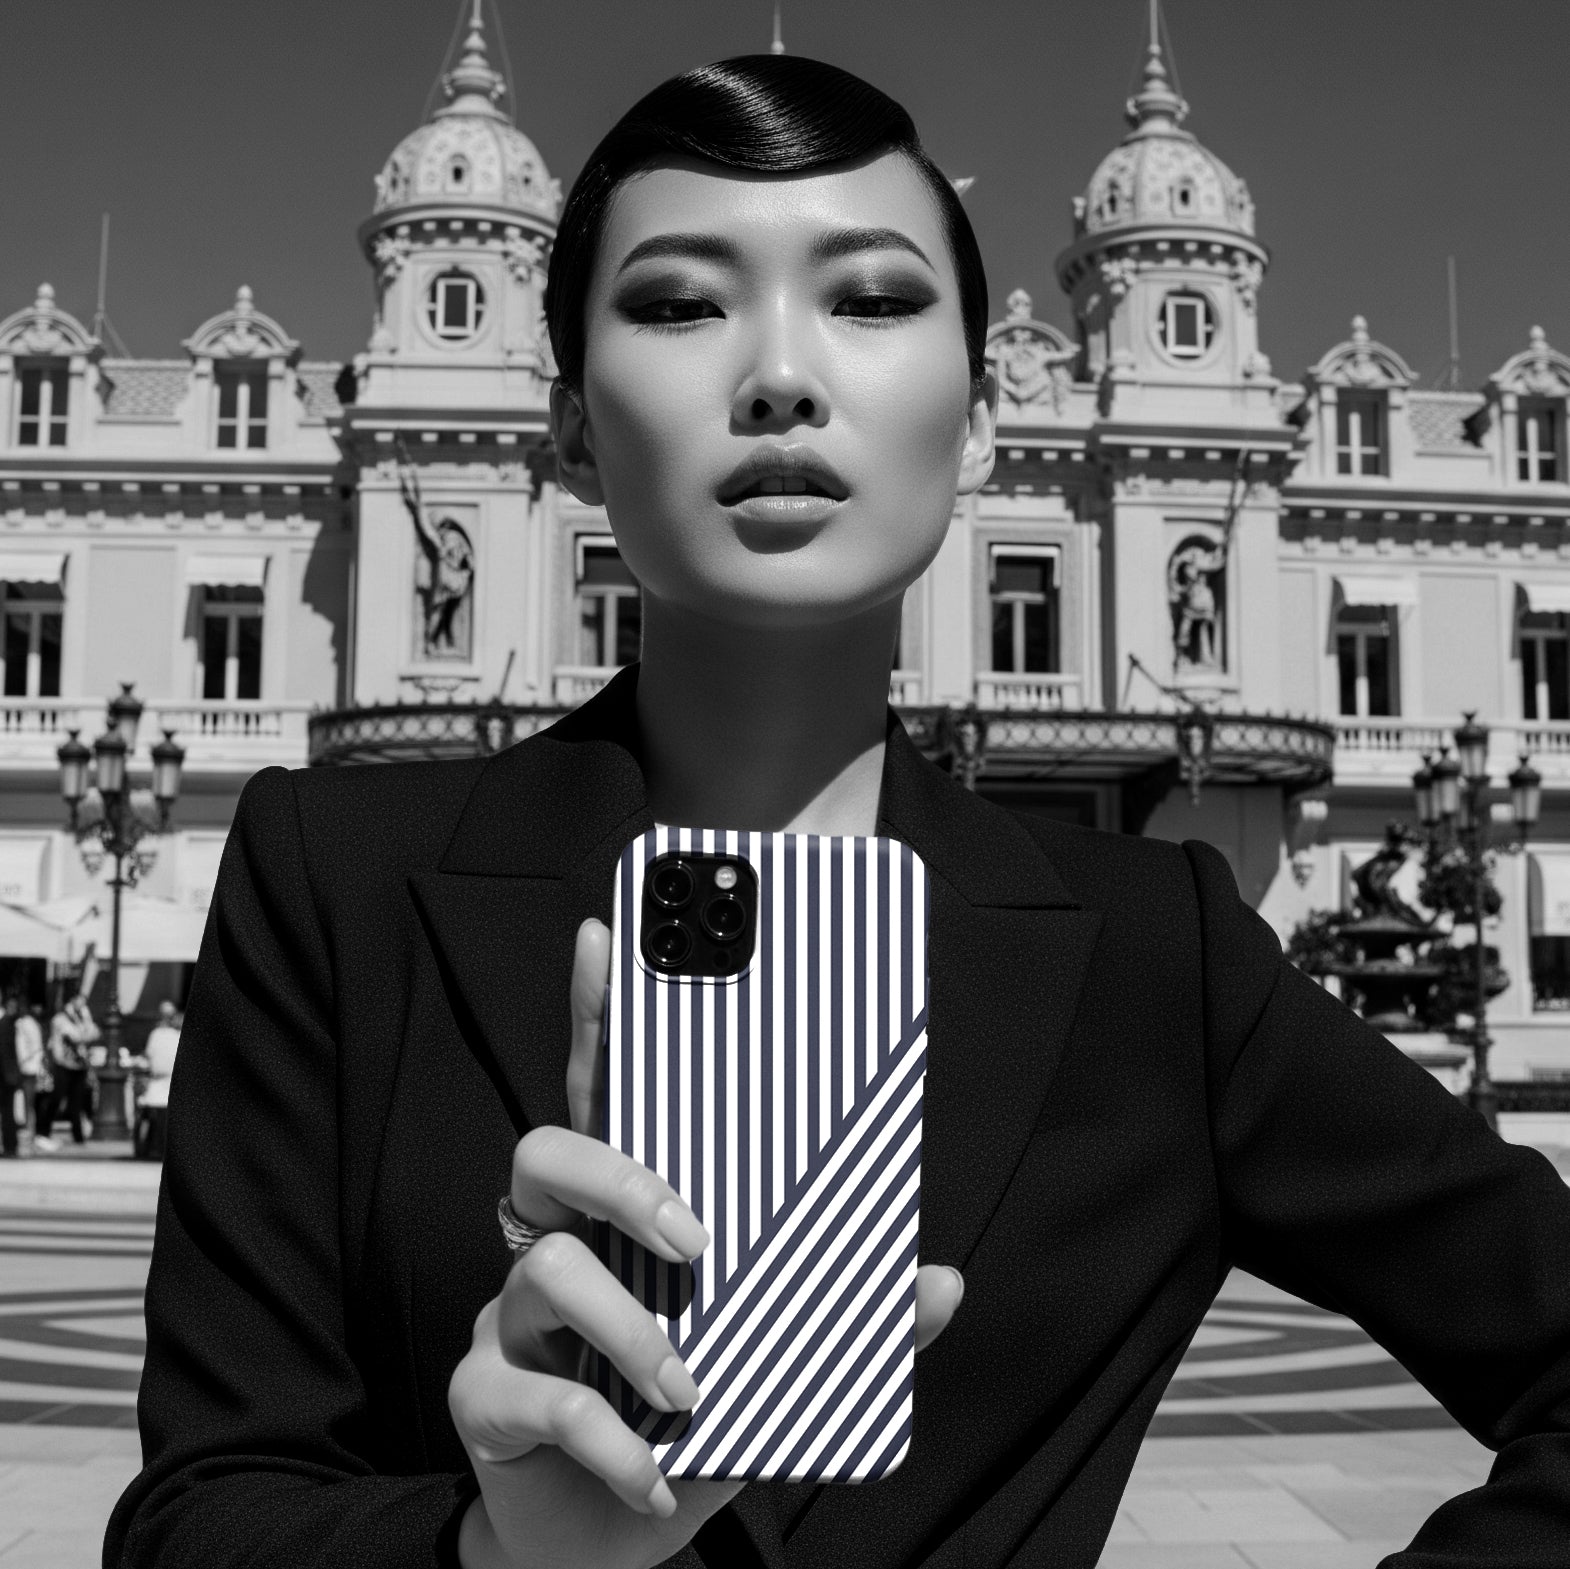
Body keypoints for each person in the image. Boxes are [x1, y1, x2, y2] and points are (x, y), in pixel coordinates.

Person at [108, 55, 1570, 1569]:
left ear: (982, 420)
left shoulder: (1159, 956)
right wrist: (487, 1549)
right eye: (679, 303)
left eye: (870, 299)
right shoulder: (334, 887)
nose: (779, 375)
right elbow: (195, 1521)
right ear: (570, 430)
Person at [45, 992, 96, 1145]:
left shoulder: (83, 1017)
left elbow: (94, 1033)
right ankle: (43, 1130)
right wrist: (86, 1028)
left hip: (79, 1066)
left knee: (77, 1101)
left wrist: (86, 1020)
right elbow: (75, 1036)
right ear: (72, 1000)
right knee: (57, 1097)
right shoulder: (60, 1019)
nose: (83, 1005)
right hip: (63, 1064)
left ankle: (78, 1135)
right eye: (80, 1001)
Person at [134, 1001, 181, 1161]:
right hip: (172, 1086)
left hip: (157, 1086)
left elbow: (149, 1058)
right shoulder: (178, 1036)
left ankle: (150, 1147)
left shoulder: (155, 1035)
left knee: (148, 1111)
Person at [14, 1003, 43, 1153]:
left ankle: (28, 1134)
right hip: (29, 1067)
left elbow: (25, 1048)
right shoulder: (29, 1023)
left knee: (26, 1103)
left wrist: (22, 1062)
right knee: (28, 1103)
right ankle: (29, 1134)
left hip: (26, 1068)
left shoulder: (23, 1024)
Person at [0, 997, 19, 1158]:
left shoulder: (7, 1023)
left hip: (6, 1076)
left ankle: (10, 1146)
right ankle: (10, 1146)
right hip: (8, 1075)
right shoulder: (8, 1023)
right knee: (8, 1112)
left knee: (8, 1112)